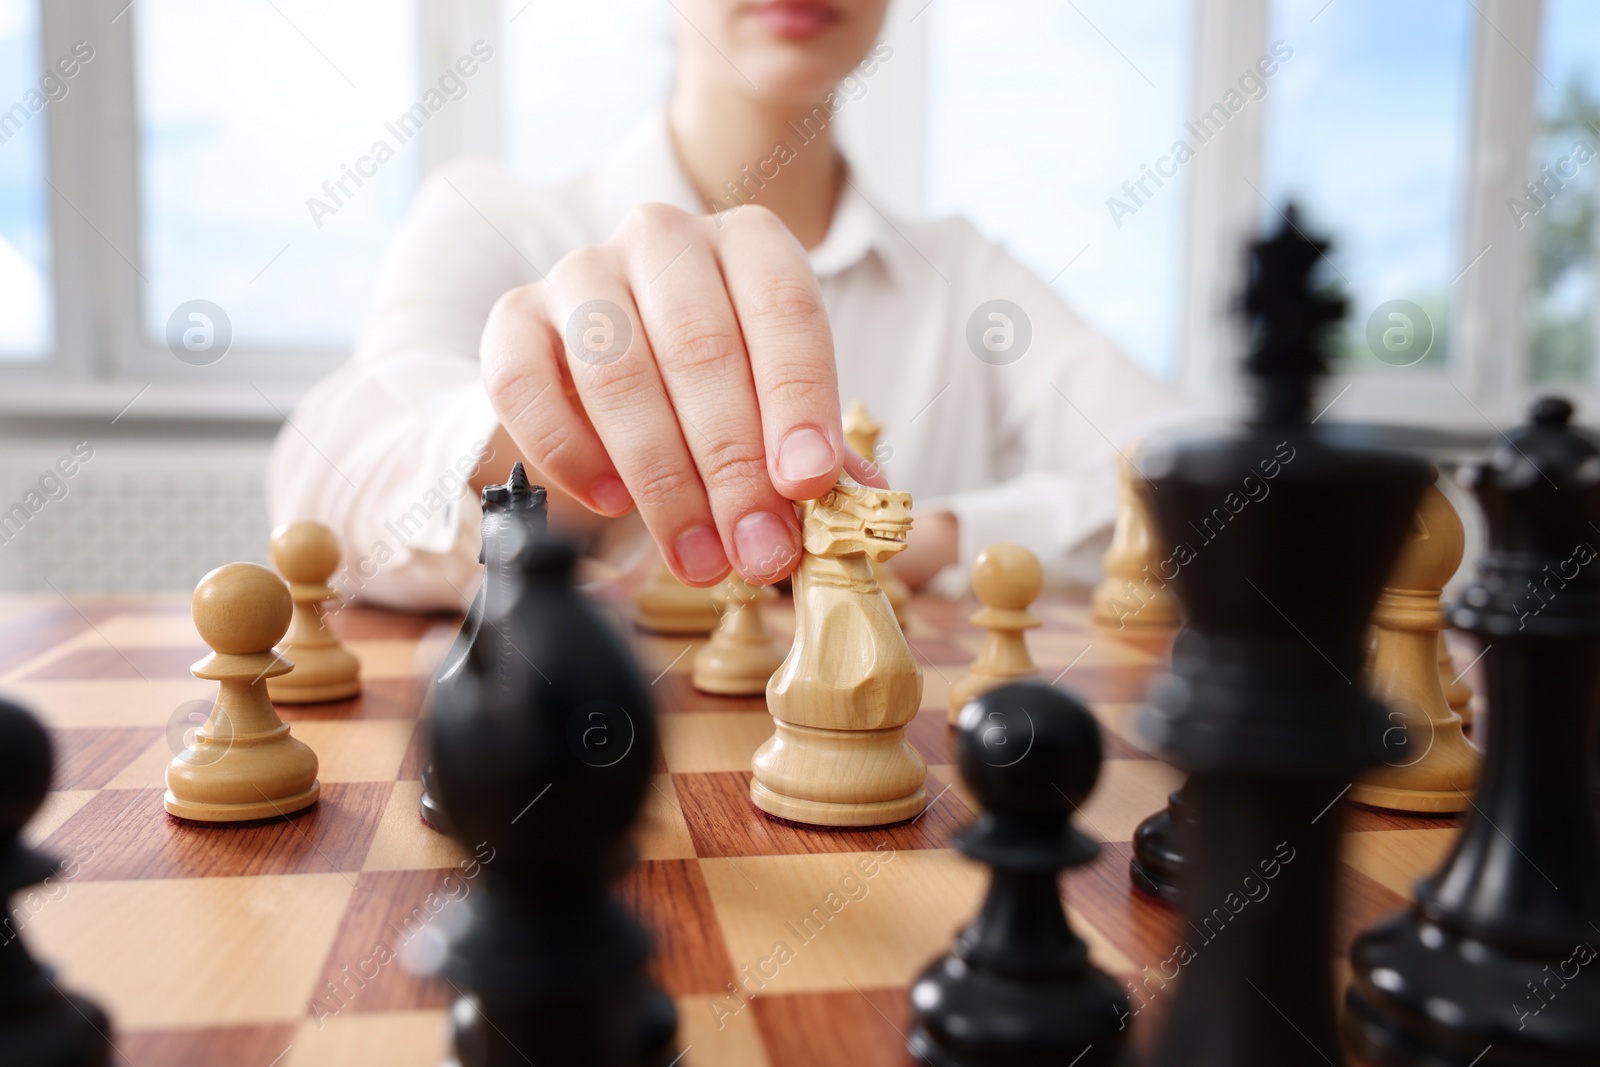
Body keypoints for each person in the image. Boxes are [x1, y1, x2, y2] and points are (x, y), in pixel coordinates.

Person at [267, 0, 1181, 612]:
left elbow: (1214, 481)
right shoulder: (490, 217)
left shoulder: (968, 275)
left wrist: (914, 541)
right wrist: (540, 432)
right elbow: (320, 488)